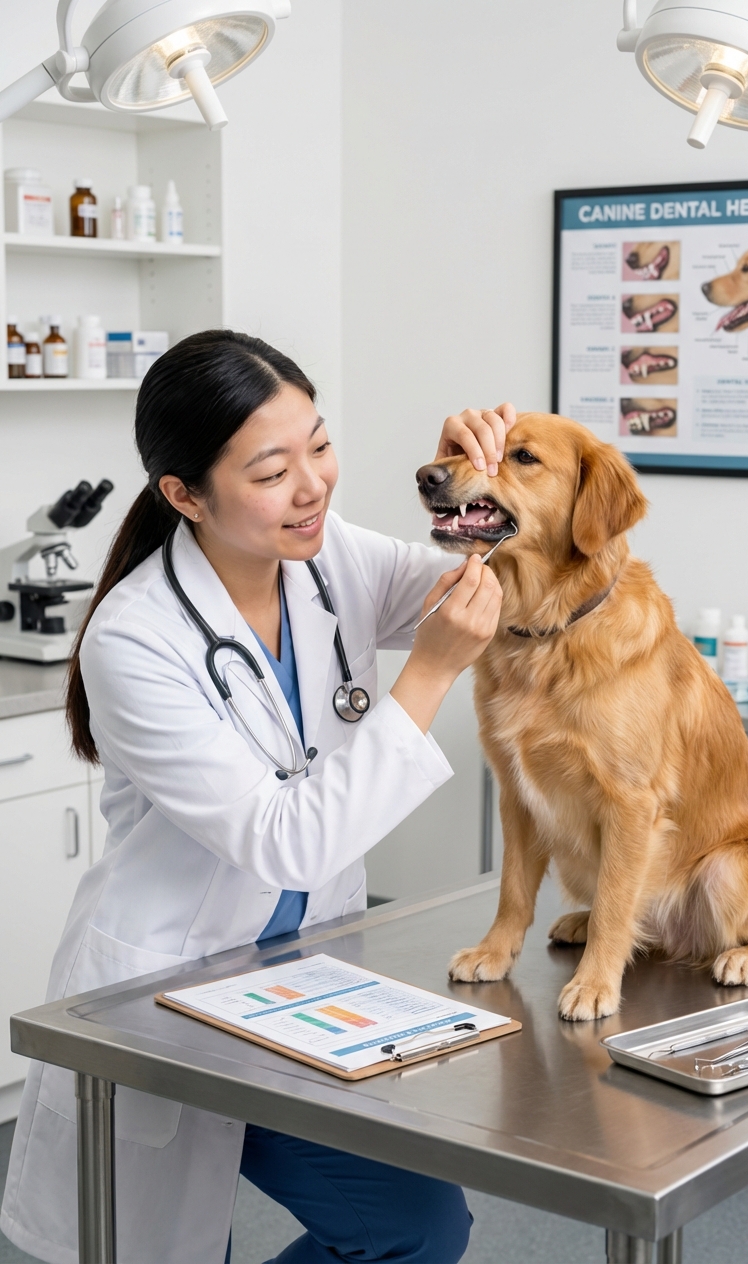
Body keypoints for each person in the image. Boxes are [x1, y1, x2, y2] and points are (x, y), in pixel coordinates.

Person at [0, 330, 515, 1264]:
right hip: (161, 995)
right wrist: (431, 675)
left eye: (319, 446)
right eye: (272, 470)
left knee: (416, 1227)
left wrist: (469, 489)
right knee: (171, 1246)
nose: (313, 486)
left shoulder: (332, 558)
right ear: (184, 494)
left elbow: (488, 586)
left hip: (299, 984)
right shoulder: (135, 638)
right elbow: (286, 841)